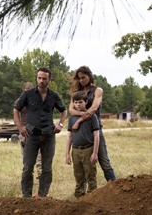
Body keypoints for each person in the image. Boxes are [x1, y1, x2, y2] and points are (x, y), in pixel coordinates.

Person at [14, 67, 67, 198]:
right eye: (39, 78)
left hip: (48, 135)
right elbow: (16, 109)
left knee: (47, 168)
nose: (41, 81)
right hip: (31, 135)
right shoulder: (27, 94)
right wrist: (20, 126)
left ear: (49, 79)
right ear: (36, 78)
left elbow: (64, 110)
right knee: (27, 167)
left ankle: (43, 196)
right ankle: (26, 196)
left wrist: (60, 124)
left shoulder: (54, 96)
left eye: (44, 78)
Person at [69, 66, 117, 182]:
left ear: (89, 76)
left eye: (84, 77)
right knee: (83, 163)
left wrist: (79, 119)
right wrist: (82, 114)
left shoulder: (97, 90)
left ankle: (114, 186)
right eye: (79, 78)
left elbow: (94, 107)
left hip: (95, 128)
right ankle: (84, 193)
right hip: (80, 131)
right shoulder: (76, 93)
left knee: (103, 160)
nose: (81, 80)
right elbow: (71, 110)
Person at [65, 91, 100, 197]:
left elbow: (96, 136)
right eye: (75, 103)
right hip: (75, 150)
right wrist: (67, 153)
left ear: (86, 102)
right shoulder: (71, 119)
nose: (78, 105)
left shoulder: (92, 117)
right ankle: (79, 195)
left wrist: (95, 153)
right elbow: (69, 137)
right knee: (78, 174)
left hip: (88, 149)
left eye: (80, 102)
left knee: (90, 173)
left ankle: (92, 195)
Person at [18, 81, 42, 180]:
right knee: (26, 154)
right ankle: (27, 174)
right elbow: (16, 116)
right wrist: (20, 128)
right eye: (26, 90)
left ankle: (41, 174)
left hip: (36, 129)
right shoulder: (19, 101)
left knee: (39, 154)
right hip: (24, 130)